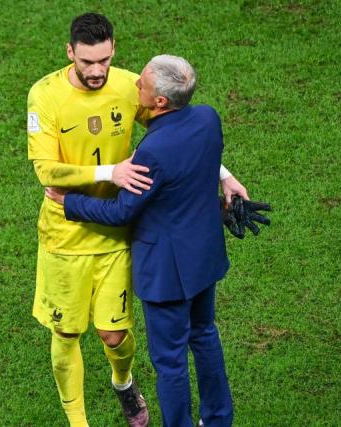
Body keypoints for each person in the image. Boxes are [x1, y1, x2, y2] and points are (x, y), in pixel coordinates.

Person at [27, 13, 245, 426]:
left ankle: (125, 385)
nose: (98, 71)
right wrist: (112, 172)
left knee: (129, 342)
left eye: (105, 60)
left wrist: (221, 172)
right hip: (67, 239)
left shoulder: (131, 86)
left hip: (120, 237)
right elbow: (45, 171)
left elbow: (166, 145)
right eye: (87, 62)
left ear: (113, 51)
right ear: (70, 52)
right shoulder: (44, 95)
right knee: (68, 333)